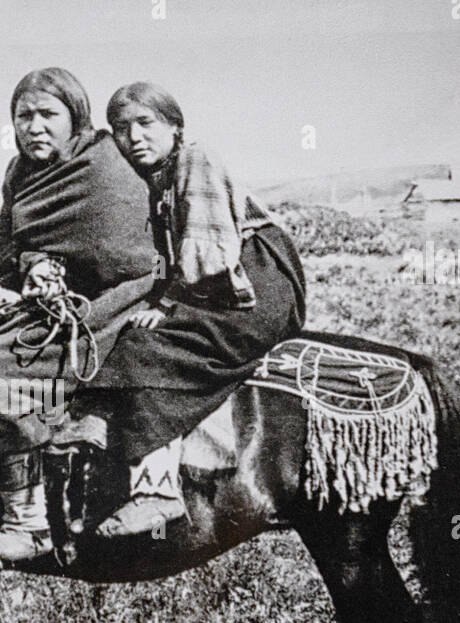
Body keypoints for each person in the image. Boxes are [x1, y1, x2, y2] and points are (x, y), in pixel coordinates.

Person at [56, 82, 307, 537]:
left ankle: (158, 490)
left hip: (251, 283)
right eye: (121, 128)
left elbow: (207, 252)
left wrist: (169, 306)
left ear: (175, 126)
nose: (134, 137)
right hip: (210, 284)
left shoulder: (196, 158)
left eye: (145, 123)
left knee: (147, 346)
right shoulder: (149, 179)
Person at [0, 68, 157, 565]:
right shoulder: (18, 174)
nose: (34, 127)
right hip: (53, 303)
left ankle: (27, 524)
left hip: (119, 299)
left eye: (48, 115)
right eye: (23, 116)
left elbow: (126, 256)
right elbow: (3, 249)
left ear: (76, 118)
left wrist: (63, 267)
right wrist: (33, 265)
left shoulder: (104, 162)